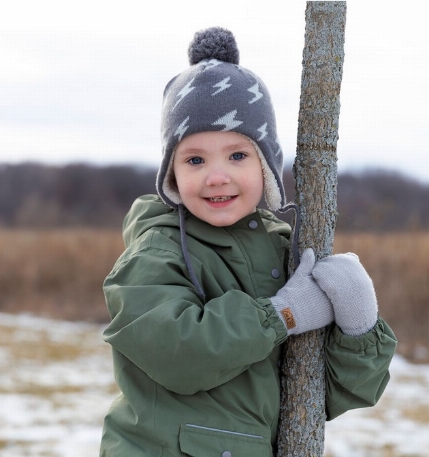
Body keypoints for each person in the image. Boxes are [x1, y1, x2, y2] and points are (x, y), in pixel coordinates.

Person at [99, 27, 397, 457]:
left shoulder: (285, 252)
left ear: (266, 167)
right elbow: (177, 353)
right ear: (172, 174)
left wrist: (359, 325)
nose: (216, 175)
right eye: (195, 159)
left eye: (238, 155)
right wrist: (283, 314)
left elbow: (328, 396)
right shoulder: (155, 249)